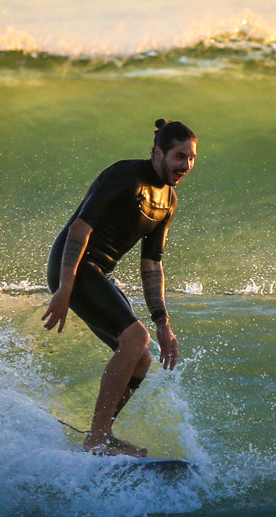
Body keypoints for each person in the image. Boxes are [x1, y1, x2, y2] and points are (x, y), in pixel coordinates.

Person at [42, 119, 197, 457]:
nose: (185, 166)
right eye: (179, 156)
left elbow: (151, 264)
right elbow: (80, 230)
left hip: (97, 271)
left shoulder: (168, 200)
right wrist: (64, 289)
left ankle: (102, 434)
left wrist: (163, 323)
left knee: (140, 357)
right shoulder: (124, 175)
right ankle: (97, 438)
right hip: (75, 265)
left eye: (191, 158)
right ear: (158, 153)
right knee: (133, 338)